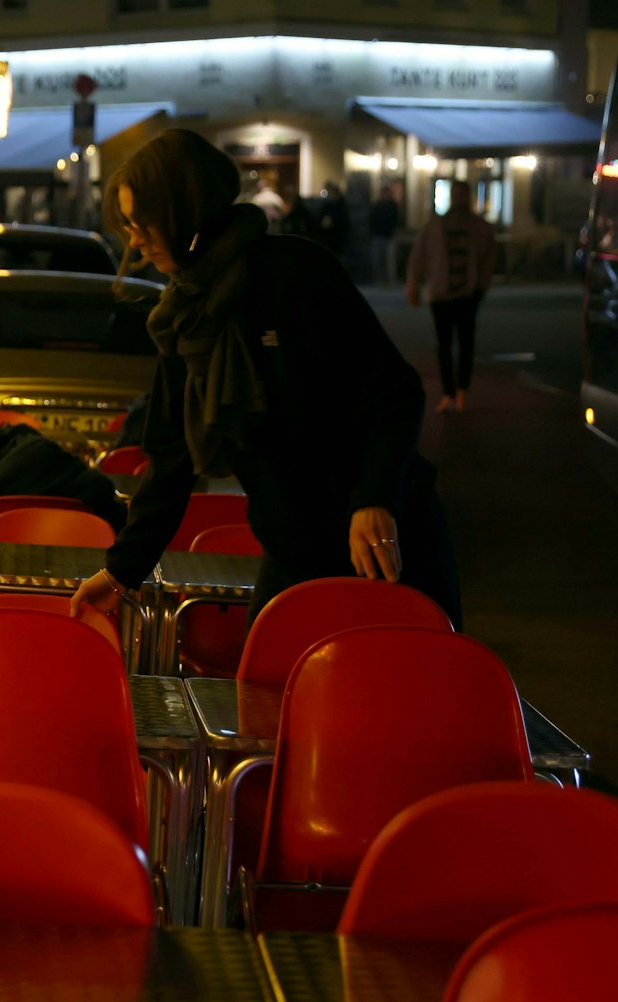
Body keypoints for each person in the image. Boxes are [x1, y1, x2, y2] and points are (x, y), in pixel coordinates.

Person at [68, 129, 460, 628]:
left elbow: (395, 393)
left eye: (145, 222)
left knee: (398, 697)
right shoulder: (185, 317)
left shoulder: (295, 273)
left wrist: (374, 499)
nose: (137, 241)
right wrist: (121, 571)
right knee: (270, 692)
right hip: (293, 546)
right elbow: (172, 459)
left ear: (188, 211)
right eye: (128, 226)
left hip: (385, 542)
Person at [406, 187, 495, 413]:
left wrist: (481, 286)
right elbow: (419, 256)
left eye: (462, 195)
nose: (459, 199)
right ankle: (448, 392)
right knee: (444, 345)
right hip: (441, 294)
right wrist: (413, 284)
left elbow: (489, 258)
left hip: (467, 294)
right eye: (456, 195)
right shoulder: (435, 226)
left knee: (465, 344)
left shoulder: (478, 227)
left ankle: (461, 391)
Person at [368, 182, 401, 285]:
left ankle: (390, 280)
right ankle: (379, 280)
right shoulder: (377, 206)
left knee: (390, 261)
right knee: (377, 260)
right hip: (378, 236)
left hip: (389, 236)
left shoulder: (392, 206)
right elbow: (372, 220)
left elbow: (395, 220)